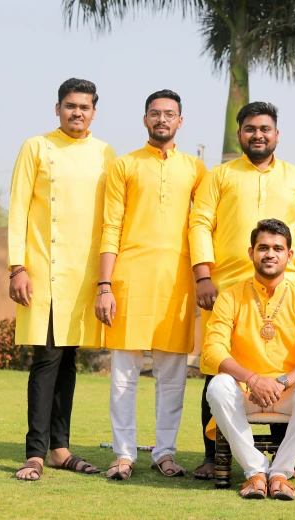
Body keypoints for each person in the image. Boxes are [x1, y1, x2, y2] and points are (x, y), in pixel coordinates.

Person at [188, 102, 295, 479]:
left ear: (277, 134)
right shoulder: (219, 176)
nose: (257, 134)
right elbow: (199, 224)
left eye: (265, 128)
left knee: (284, 366)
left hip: (285, 291)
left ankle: (279, 463)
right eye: (249, 129)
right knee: (218, 370)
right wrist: (203, 277)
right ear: (240, 134)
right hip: (226, 289)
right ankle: (214, 455)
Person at [95, 89, 207, 481]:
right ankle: (124, 454)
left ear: (181, 120)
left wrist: (202, 277)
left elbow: (203, 225)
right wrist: (105, 285)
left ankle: (165, 453)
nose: (162, 119)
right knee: (124, 374)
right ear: (145, 120)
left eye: (170, 114)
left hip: (177, 282)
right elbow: (110, 226)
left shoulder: (196, 168)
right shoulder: (124, 166)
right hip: (129, 279)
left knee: (173, 376)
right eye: (155, 114)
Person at [9, 78, 115, 481]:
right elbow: (18, 209)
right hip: (44, 270)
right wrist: (16, 266)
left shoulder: (106, 153)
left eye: (84, 107)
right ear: (57, 109)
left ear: (94, 111)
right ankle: (35, 452)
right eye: (70, 106)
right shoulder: (36, 147)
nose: (77, 112)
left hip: (86, 275)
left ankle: (60, 448)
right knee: (47, 358)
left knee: (70, 361)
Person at [203, 218, 295, 500]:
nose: (270, 254)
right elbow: (213, 350)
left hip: (289, 392)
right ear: (251, 253)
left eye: (277, 248)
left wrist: (283, 382)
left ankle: (280, 472)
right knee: (217, 386)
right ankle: (256, 472)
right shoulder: (231, 296)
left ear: (289, 255)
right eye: (263, 247)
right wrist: (252, 379)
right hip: (244, 392)